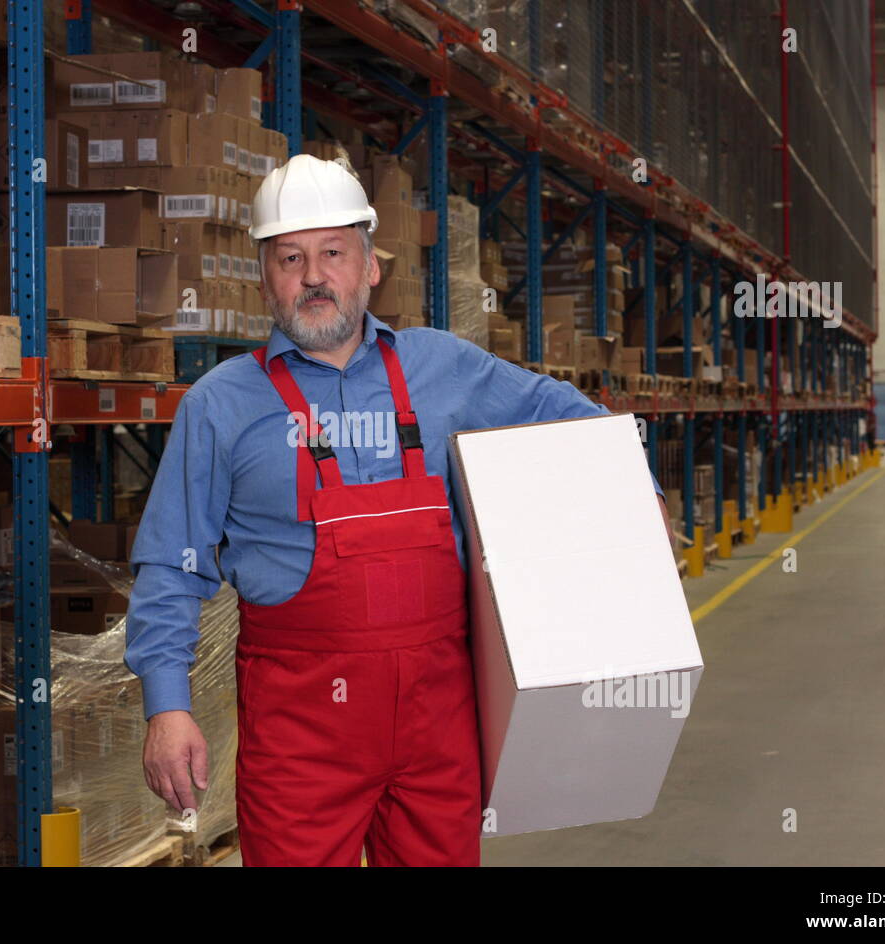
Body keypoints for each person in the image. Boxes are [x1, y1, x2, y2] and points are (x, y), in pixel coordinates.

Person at [124, 153, 671, 867]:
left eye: (333, 252)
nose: (313, 276)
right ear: (265, 276)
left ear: (370, 266)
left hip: (438, 726)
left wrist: (637, 485)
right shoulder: (221, 406)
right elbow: (171, 563)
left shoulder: (442, 367)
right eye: (290, 257)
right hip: (301, 737)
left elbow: (559, 409)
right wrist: (167, 707)